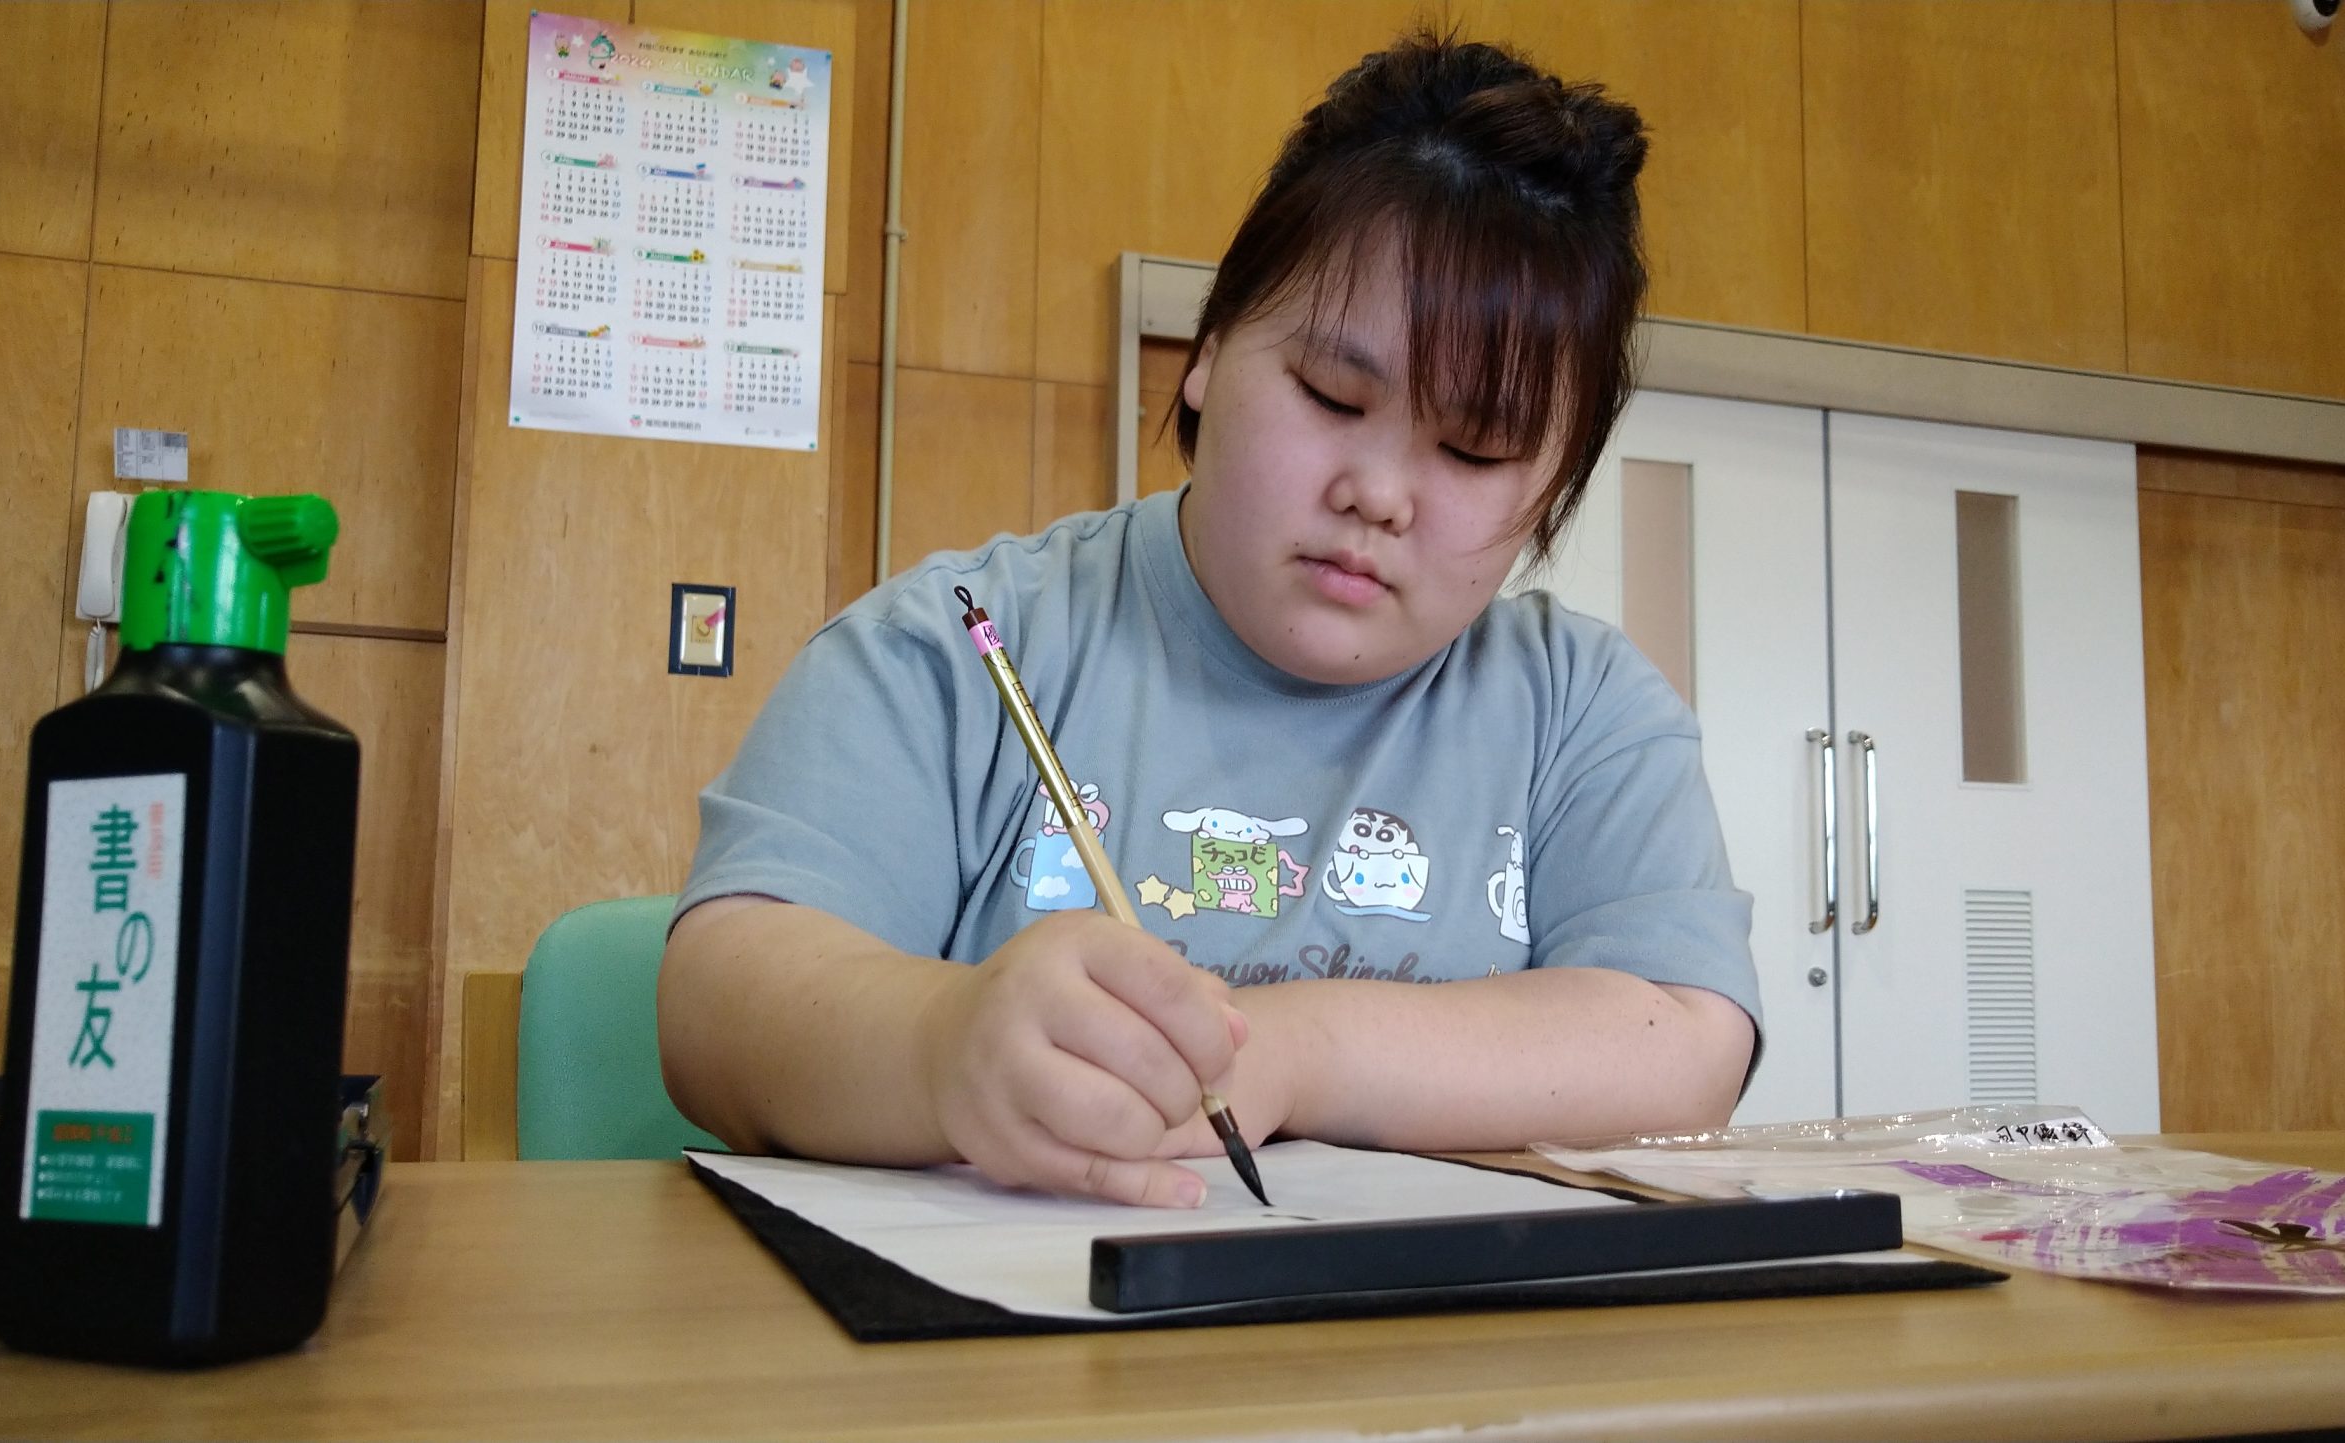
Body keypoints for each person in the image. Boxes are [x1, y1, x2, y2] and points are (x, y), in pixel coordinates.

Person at [660, 28, 1758, 1209]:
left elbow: (1684, 1043)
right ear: (1209, 349)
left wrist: (1288, 1050)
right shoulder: (961, 645)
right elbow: (718, 1002)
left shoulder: (1580, 709)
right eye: (1332, 396)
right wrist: (942, 1045)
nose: (1378, 495)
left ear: (1551, 491)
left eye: (1475, 451)